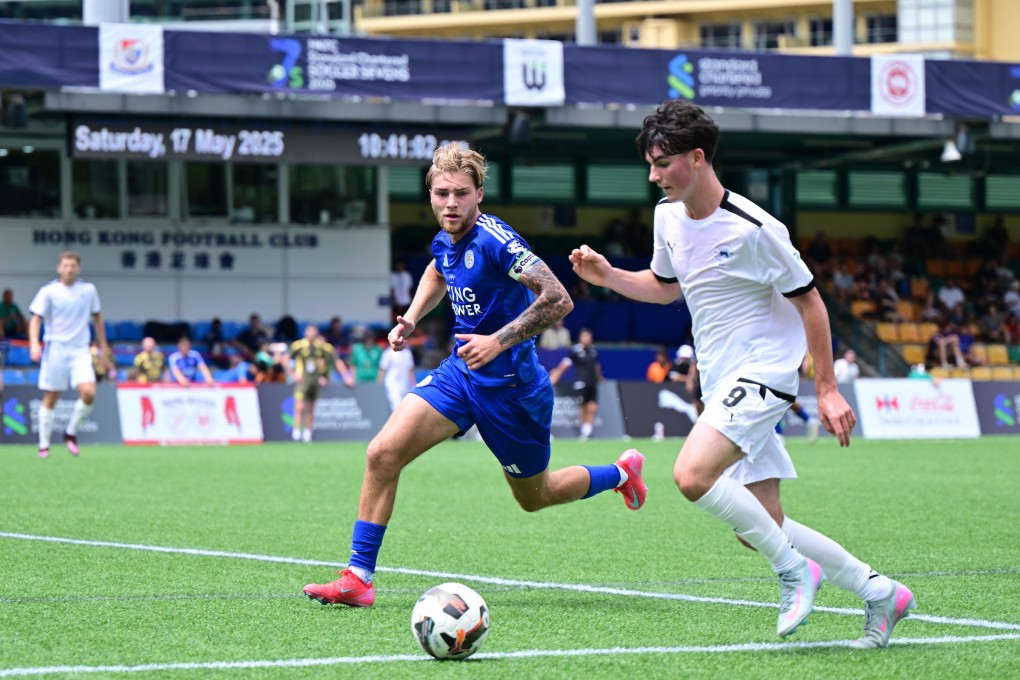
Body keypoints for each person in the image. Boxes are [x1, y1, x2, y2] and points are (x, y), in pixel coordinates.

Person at [568, 100, 914, 648]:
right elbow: (664, 287)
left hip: (765, 374)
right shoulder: (667, 217)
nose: (654, 176)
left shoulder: (758, 228)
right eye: (651, 165)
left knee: (690, 476)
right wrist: (607, 275)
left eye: (663, 163)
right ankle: (881, 593)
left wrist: (826, 388)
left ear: (698, 157)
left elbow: (812, 305)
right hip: (721, 383)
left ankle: (796, 572)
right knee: (760, 528)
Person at [302, 144, 647, 608]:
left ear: (478, 195)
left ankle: (620, 473)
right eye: (441, 193)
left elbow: (559, 298)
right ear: (430, 195)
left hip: (513, 391)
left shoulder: (495, 240)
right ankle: (358, 577)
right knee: (383, 453)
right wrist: (412, 317)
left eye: (461, 194)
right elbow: (437, 270)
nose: (450, 203)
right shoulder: (444, 236)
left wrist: (498, 340)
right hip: (461, 375)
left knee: (535, 496)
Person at [28, 251, 108, 459]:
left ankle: (70, 432)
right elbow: (35, 319)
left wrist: (103, 349)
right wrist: (35, 343)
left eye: (73, 265)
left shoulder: (88, 290)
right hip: (55, 348)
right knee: (52, 396)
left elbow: (98, 319)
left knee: (89, 392)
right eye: (65, 265)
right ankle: (44, 445)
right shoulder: (48, 291)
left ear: (78, 268)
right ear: (59, 268)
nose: (69, 269)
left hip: (80, 349)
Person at [288, 324, 355, 443]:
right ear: (305, 333)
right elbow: (286, 358)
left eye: (314, 332)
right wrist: (292, 374)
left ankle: (308, 433)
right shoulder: (298, 346)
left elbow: (336, 361)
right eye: (309, 332)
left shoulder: (323, 348)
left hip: (315, 380)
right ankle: (297, 432)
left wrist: (346, 377)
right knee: (299, 406)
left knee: (311, 408)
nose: (311, 335)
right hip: (303, 379)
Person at [548, 328, 603, 441]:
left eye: (588, 336)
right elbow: (565, 364)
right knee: (583, 406)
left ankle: (589, 430)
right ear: (580, 338)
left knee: (592, 406)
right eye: (584, 336)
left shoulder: (593, 351)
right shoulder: (575, 350)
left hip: (592, 382)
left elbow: (596, 366)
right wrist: (556, 376)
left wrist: (600, 378)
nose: (586, 339)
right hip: (581, 383)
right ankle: (583, 431)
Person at [378, 345, 416, 412]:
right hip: (392, 383)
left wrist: (414, 383)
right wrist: (380, 384)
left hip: (405, 383)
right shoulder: (388, 352)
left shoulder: (408, 353)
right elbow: (382, 369)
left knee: (405, 406)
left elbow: (410, 370)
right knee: (396, 405)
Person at [668, 344, 703, 416]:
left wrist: (689, 380)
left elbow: (694, 376)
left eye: (686, 358)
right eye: (683, 357)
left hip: (694, 396)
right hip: (678, 394)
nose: (684, 359)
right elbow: (674, 377)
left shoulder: (694, 366)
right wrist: (688, 379)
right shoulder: (675, 366)